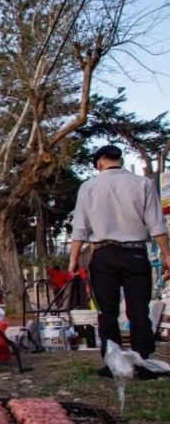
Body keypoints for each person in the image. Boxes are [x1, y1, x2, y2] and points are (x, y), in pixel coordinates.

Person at [69, 144, 170, 377]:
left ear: (99, 164)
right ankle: (143, 363)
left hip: (103, 254)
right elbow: (156, 225)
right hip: (135, 253)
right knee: (138, 310)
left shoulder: (89, 187)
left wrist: (73, 259)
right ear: (120, 161)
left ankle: (113, 362)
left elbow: (80, 228)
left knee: (107, 311)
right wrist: (167, 255)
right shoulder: (142, 183)